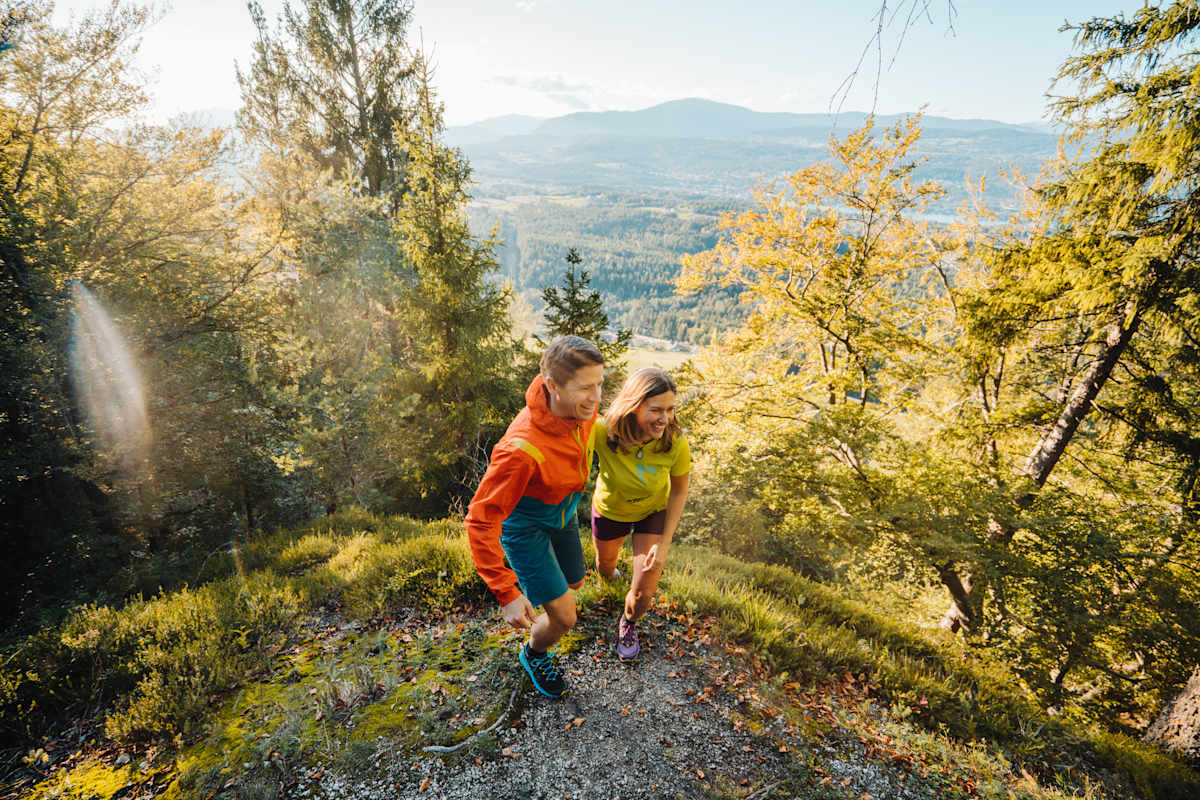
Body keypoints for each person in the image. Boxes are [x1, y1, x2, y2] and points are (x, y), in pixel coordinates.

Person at [465, 336, 604, 698]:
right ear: (551, 386)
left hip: (563, 515)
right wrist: (506, 593)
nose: (595, 396)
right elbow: (480, 520)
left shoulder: (581, 410)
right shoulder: (519, 451)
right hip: (526, 529)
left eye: (599, 384)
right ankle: (534, 652)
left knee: (575, 582)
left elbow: (597, 426)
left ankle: (542, 587)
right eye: (585, 388)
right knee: (565, 617)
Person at [591, 367, 691, 660]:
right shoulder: (603, 430)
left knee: (645, 586)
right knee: (605, 565)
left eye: (670, 409)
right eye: (656, 410)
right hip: (611, 509)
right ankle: (608, 578)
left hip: (653, 512)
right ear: (633, 406)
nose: (665, 418)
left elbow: (680, 490)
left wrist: (664, 544)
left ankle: (629, 622)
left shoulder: (675, 442)